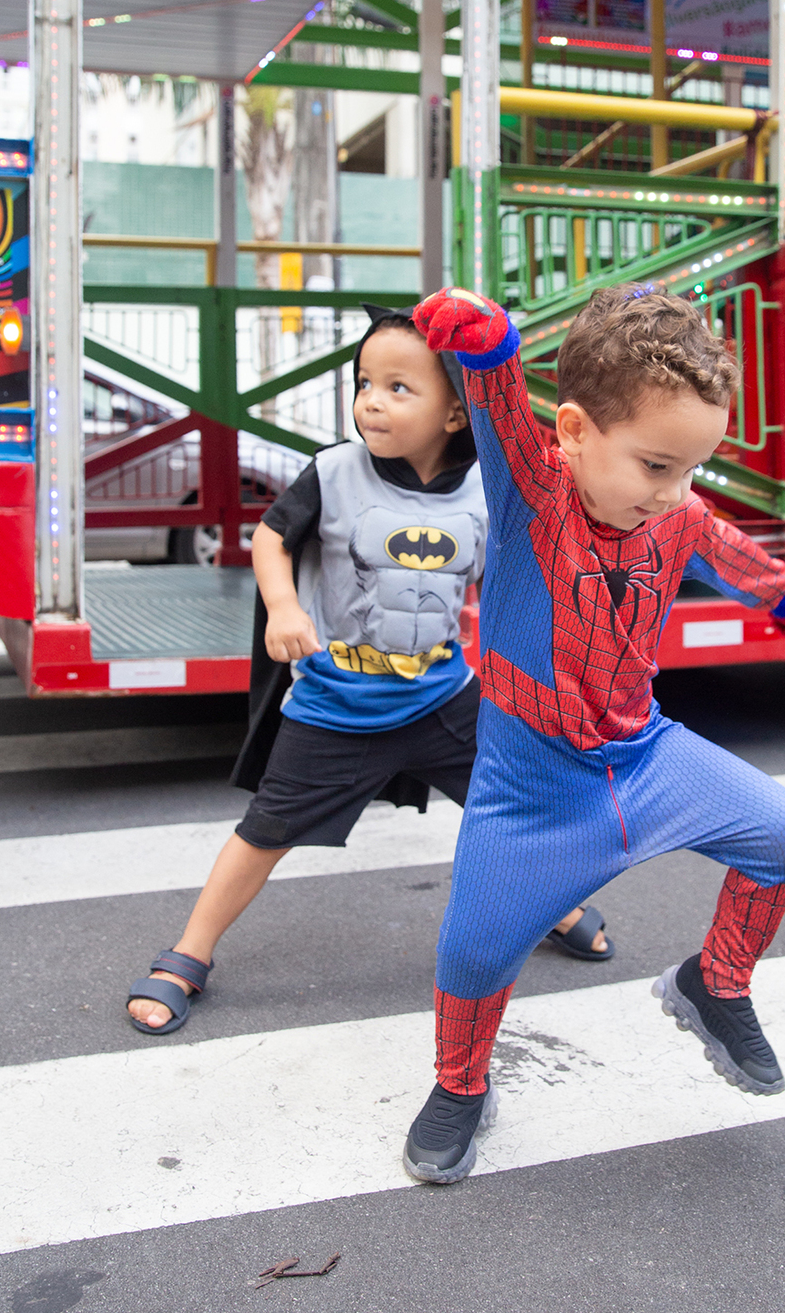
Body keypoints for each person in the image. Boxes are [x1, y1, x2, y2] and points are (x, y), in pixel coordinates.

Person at [401, 283, 785, 1184]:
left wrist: (778, 592)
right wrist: (490, 354)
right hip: (529, 784)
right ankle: (461, 1086)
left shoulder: (674, 509)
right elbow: (506, 418)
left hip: (644, 753)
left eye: (692, 469)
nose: (677, 493)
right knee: (474, 950)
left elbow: (721, 542)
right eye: (659, 466)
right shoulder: (533, 499)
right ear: (577, 432)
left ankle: (715, 984)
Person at [126, 305, 612, 1037]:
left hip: (443, 694)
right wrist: (285, 608)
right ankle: (186, 956)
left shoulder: (486, 487)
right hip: (338, 702)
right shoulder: (334, 472)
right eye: (364, 383)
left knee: (513, 803)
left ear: (455, 412)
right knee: (266, 829)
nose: (371, 402)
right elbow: (270, 538)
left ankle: (556, 905)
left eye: (397, 387)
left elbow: (520, 571)